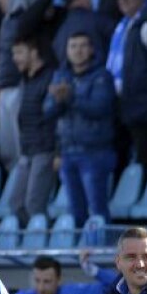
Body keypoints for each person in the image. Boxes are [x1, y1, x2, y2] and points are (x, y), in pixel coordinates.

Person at [44, 31, 117, 225]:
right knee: (75, 212)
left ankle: (103, 252)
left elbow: (100, 107)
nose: (78, 51)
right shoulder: (60, 76)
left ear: (92, 49)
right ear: (66, 50)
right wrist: (59, 101)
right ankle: (80, 253)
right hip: (67, 152)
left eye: (83, 45)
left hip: (95, 152)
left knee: (97, 210)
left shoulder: (102, 76)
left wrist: (70, 97)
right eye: (73, 46)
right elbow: (47, 111)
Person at [108, 0, 147, 170]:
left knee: (146, 158)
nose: (123, 1)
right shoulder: (122, 25)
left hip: (145, 106)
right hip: (123, 105)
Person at [7, 33, 55, 224]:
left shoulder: (50, 77)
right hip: (27, 150)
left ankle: (45, 244)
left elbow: (54, 117)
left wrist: (56, 150)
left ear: (34, 53)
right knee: (16, 203)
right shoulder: (26, 80)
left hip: (45, 149)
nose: (14, 58)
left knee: (35, 204)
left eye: (19, 52)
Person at [0, 0, 37, 171]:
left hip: (20, 86)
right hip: (5, 87)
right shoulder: (6, 21)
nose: (0, 0)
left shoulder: (24, 21)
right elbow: (3, 56)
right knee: (8, 144)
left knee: (21, 142)